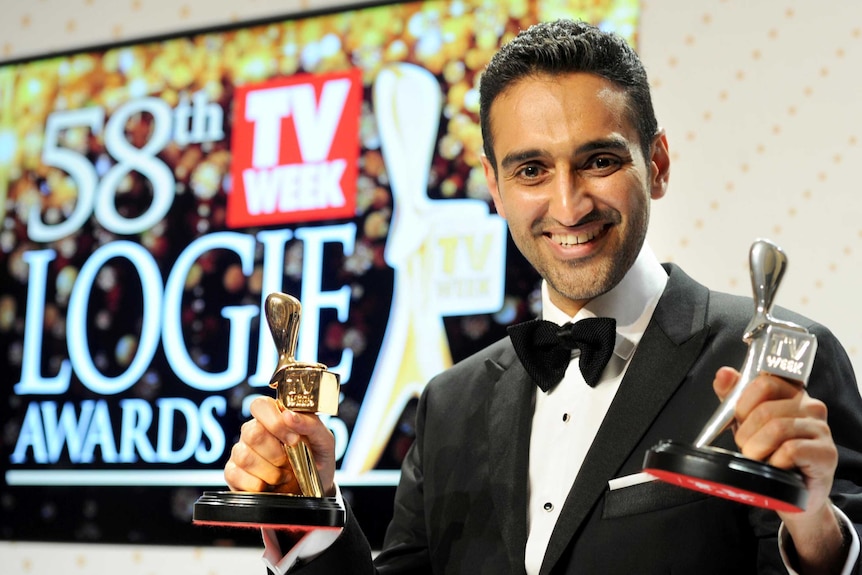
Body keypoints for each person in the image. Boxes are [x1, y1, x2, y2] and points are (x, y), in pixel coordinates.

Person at [225, 19, 862, 574]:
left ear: (658, 164)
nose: (568, 204)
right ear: (495, 189)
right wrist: (309, 509)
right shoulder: (449, 404)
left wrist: (813, 529)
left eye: (600, 162)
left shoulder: (776, 366)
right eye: (531, 170)